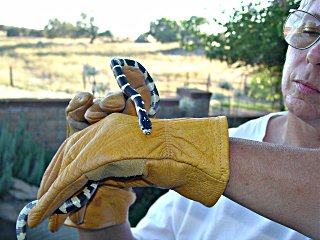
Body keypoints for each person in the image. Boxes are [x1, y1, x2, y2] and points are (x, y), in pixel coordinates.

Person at [27, 0, 319, 239]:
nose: (315, 54)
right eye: (309, 29)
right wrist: (101, 208)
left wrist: (178, 147)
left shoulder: (203, 157)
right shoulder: (228, 144)